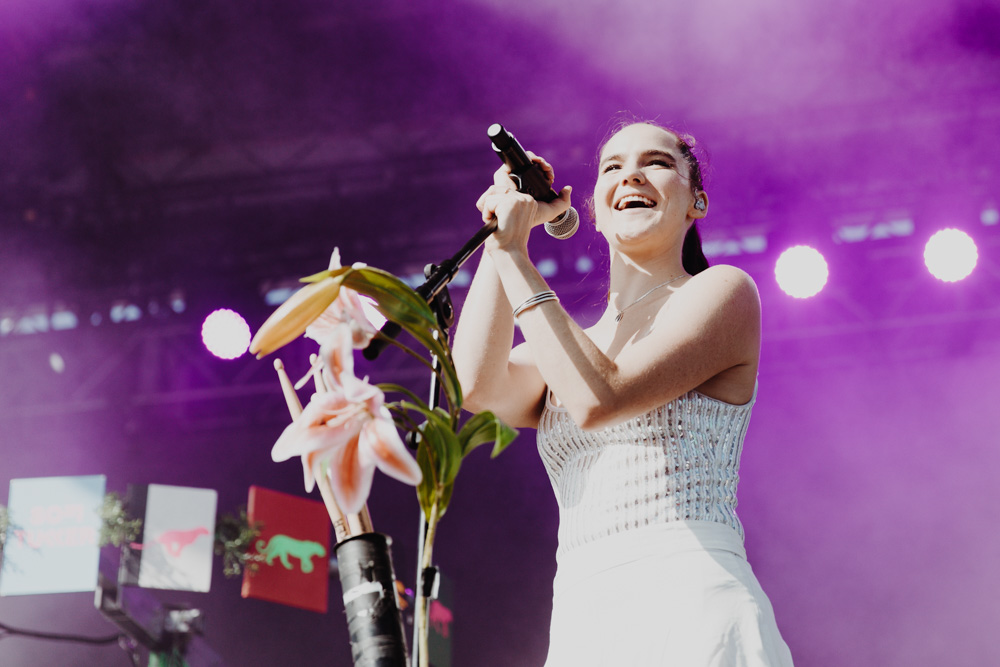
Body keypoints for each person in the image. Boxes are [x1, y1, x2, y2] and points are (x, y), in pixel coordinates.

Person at [451, 120, 794, 666]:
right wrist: (501, 242)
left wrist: (518, 257)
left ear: (696, 201)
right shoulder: (570, 346)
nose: (631, 173)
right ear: (593, 208)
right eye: (613, 166)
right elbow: (476, 386)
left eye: (656, 162)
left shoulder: (722, 292)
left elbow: (600, 400)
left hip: (692, 598)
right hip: (587, 616)